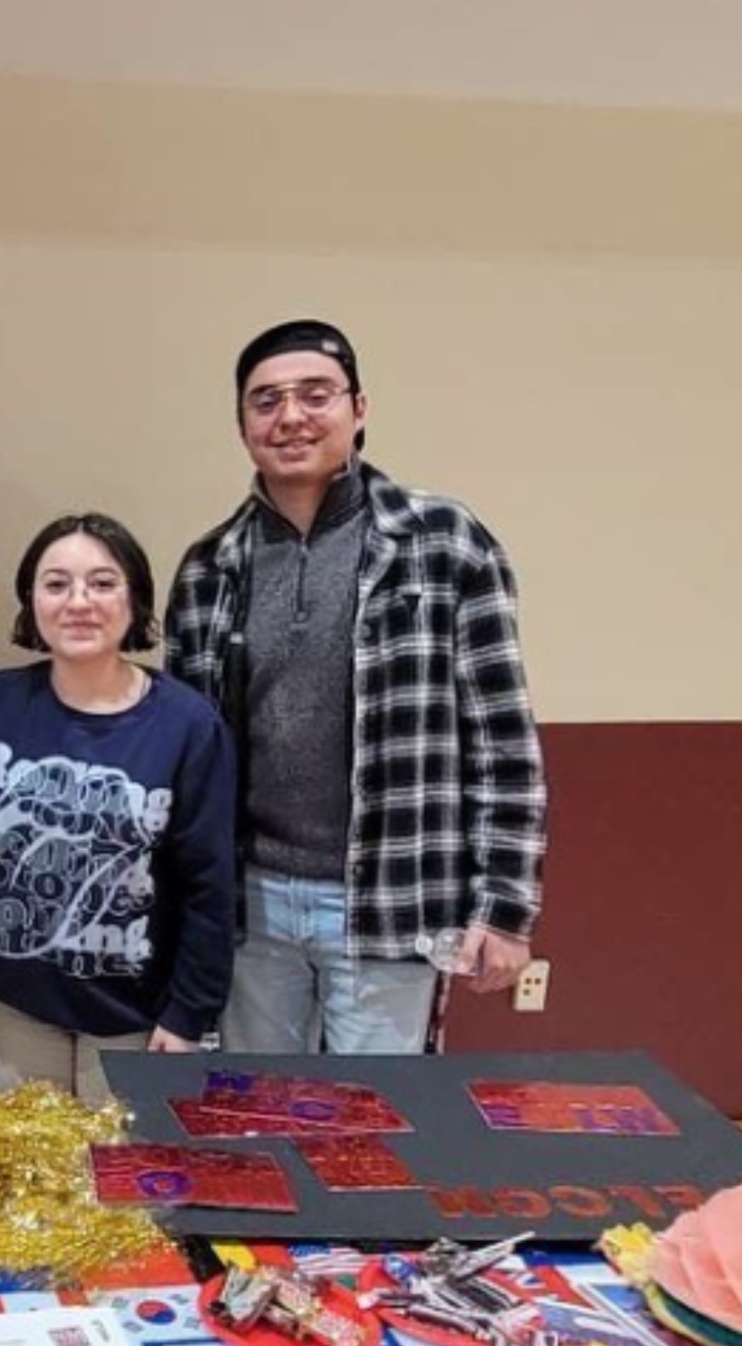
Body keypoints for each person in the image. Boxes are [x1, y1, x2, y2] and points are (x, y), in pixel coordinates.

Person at [166, 319, 548, 1055]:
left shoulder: (443, 541)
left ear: (359, 408)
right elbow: (193, 762)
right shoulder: (210, 567)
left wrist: (505, 908)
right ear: (243, 423)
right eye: (266, 401)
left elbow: (503, 740)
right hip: (254, 909)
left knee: (374, 1132)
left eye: (315, 395)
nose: (291, 418)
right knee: (254, 1120)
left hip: (390, 901)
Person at [0, 513, 236, 1104]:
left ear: (135, 598)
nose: (79, 602)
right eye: (57, 583)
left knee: (120, 1193)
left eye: (102, 583)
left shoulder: (188, 725)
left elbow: (210, 887)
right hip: (16, 1010)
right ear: (31, 601)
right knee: (21, 1188)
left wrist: (190, 1015)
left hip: (135, 1021)